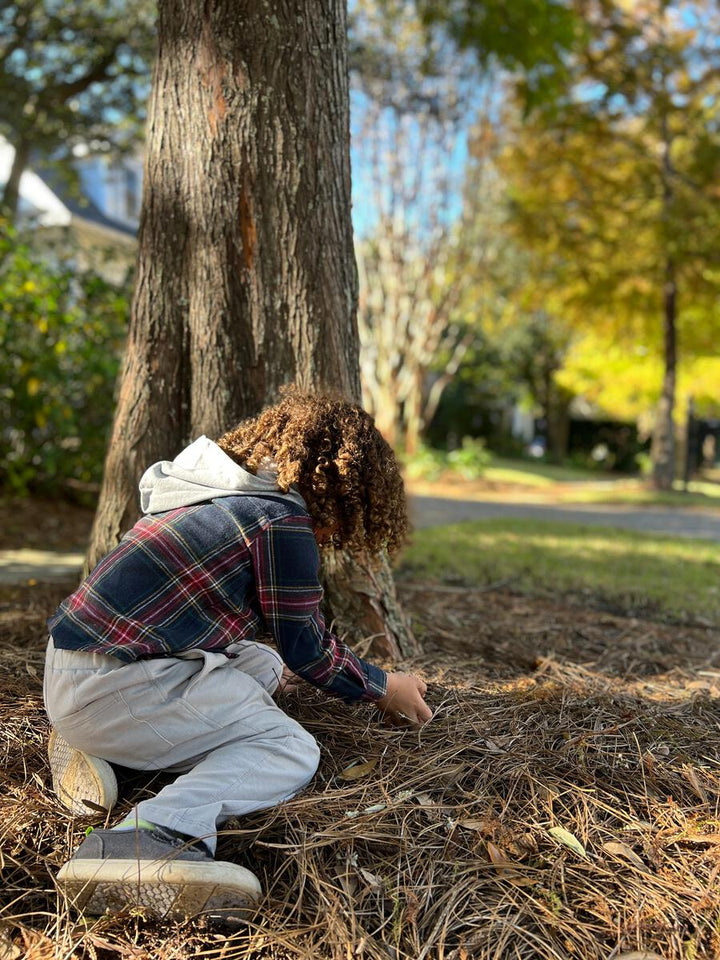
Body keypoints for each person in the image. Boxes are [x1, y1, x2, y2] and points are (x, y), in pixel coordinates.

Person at [44, 392, 432, 923]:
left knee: (261, 665)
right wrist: (385, 685)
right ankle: (150, 836)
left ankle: (101, 751)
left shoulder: (209, 493)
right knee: (290, 747)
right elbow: (309, 650)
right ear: (344, 491)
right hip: (111, 689)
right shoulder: (280, 522)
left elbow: (280, 656)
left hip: (76, 667)